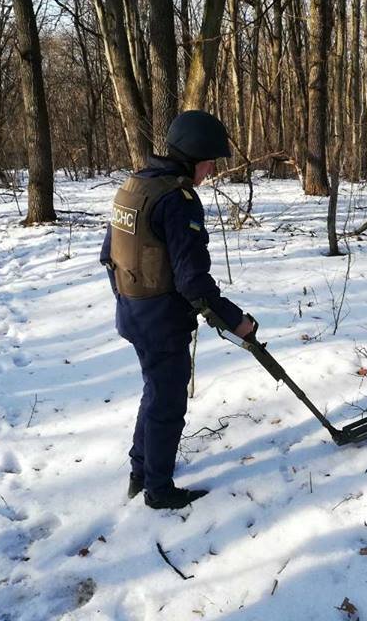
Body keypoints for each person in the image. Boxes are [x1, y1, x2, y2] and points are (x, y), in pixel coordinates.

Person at [100, 110, 254, 510]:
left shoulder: (134, 187)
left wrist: (128, 300)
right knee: (168, 403)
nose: (209, 171)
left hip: (133, 312)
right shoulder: (178, 200)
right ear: (194, 158)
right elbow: (192, 281)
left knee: (154, 392)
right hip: (160, 320)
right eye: (209, 163)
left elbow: (107, 255)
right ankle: (159, 490)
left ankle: (141, 472)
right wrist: (235, 321)